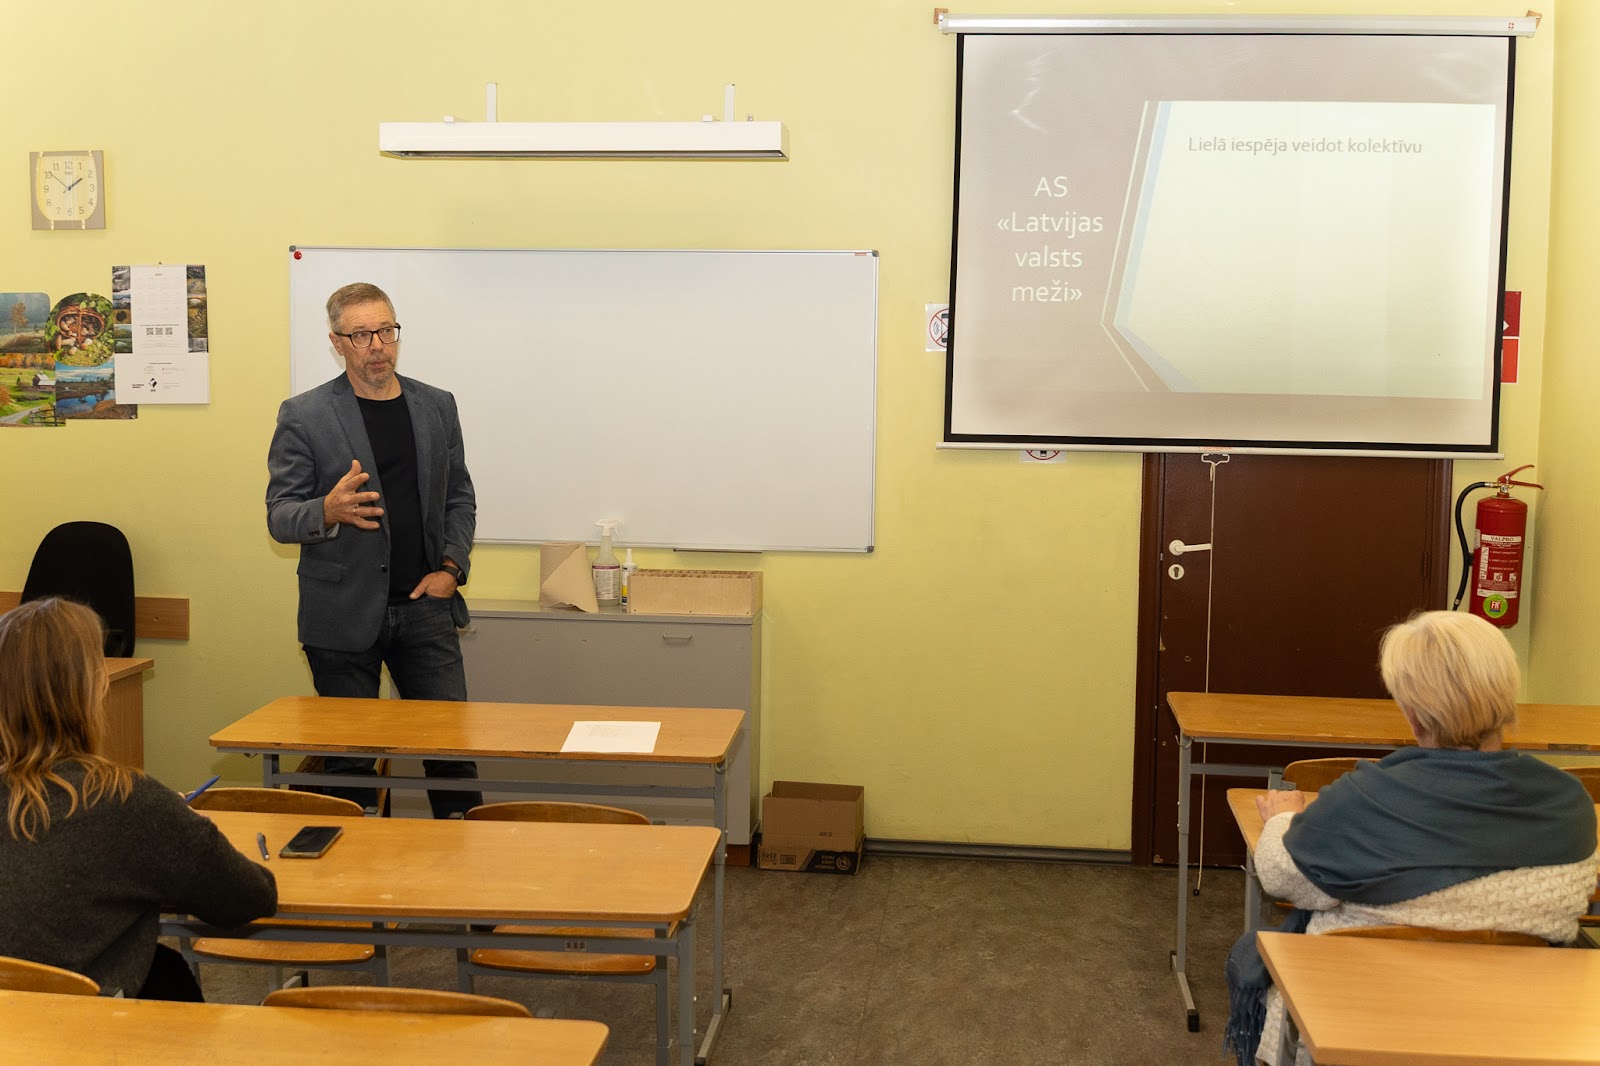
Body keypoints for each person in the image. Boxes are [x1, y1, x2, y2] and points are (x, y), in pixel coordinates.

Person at [1225, 610, 1599, 1066]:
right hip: (1522, 1030)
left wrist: (1282, 820)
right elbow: (1574, 899)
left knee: (1248, 953)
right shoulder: (1570, 804)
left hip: (1360, 1023)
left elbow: (1283, 878)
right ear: (1506, 699)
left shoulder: (1362, 800)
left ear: (1414, 715)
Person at [266, 282, 481, 818]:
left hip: (425, 607)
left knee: (451, 755)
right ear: (337, 343)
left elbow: (458, 496)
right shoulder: (305, 414)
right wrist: (326, 510)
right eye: (361, 335)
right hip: (341, 615)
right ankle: (355, 866)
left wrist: (451, 568)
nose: (378, 346)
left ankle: (464, 861)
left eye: (386, 331)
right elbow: (279, 515)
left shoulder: (436, 406)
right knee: (350, 764)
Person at [0, 597, 277, 999]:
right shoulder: (128, 802)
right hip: (86, 1022)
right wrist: (180, 826)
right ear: (90, 690)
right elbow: (250, 897)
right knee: (169, 980)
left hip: (14, 1019)